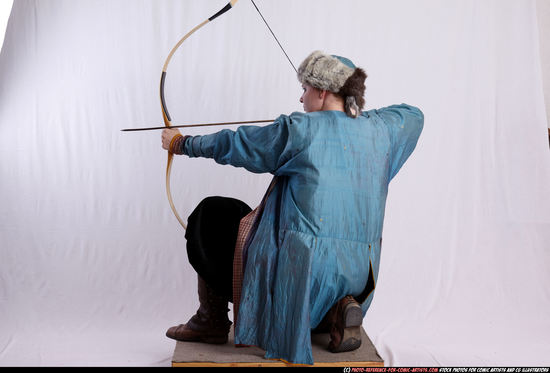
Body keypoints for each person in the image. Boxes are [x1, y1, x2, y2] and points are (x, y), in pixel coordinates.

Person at [161, 50, 424, 365]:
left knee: (211, 214)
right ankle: (336, 311)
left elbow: (235, 143)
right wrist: (352, 112)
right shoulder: (382, 132)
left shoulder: (299, 131)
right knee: (244, 214)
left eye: (306, 89)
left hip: (299, 282)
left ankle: (211, 321)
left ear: (323, 91)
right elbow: (413, 114)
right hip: (357, 280)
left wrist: (182, 143)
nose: (301, 99)